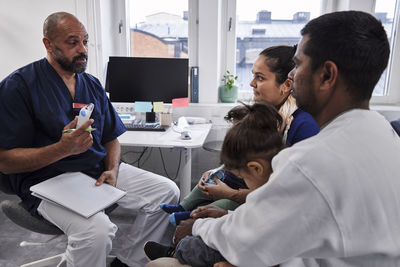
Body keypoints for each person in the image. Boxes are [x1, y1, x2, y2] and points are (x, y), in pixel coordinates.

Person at [169, 10, 400, 267]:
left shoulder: (312, 161)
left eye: (298, 65)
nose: (291, 76)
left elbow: (246, 241)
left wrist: (198, 226)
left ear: (326, 75)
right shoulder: (386, 135)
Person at [0, 12, 179, 267]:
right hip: (45, 181)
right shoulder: (18, 87)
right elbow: (5, 162)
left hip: (94, 173)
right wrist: (62, 150)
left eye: (85, 41)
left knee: (166, 192)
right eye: (73, 42)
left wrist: (113, 169)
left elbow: (111, 137)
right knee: (97, 230)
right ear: (48, 44)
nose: (83, 49)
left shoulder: (91, 84)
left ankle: (129, 261)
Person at [159, 45, 319, 226]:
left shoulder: (303, 127)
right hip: (249, 191)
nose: (251, 83)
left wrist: (231, 194)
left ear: (287, 85)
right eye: (253, 76)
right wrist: (217, 172)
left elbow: (288, 196)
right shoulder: (266, 116)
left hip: (276, 212)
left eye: (259, 77)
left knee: (209, 214)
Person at [147, 102, 285, 267]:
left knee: (192, 246)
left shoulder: (274, 198)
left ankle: (177, 251)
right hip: (246, 241)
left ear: (256, 168)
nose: (241, 178)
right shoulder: (274, 186)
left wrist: (198, 226)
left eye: (242, 175)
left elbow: (246, 234)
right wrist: (222, 215)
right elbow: (245, 220)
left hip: (247, 252)